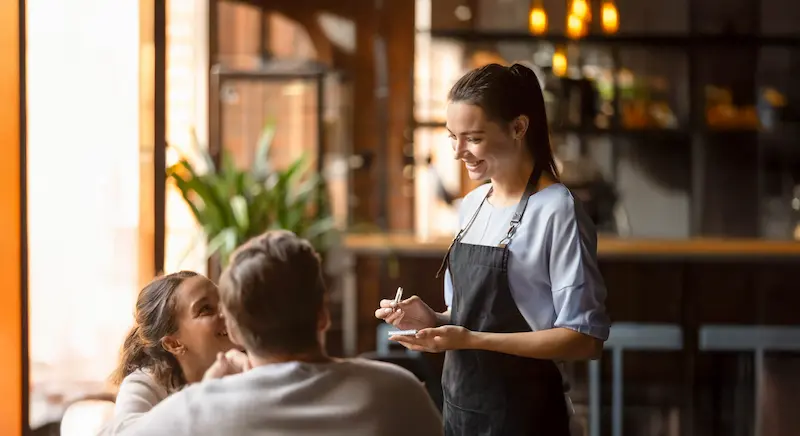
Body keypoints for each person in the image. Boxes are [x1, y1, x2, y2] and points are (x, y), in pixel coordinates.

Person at [375, 63, 610, 436]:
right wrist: (434, 318)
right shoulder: (472, 205)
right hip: (461, 413)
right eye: (452, 136)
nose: (458, 152)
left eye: (473, 137)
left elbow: (584, 339)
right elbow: (471, 316)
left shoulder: (557, 210)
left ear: (519, 127)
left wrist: (470, 339)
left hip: (526, 417)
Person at [124, 230, 443, 436]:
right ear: (323, 316)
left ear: (233, 326)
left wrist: (207, 393)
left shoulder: (193, 414)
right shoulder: (398, 393)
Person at [107, 271, 244, 434]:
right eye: (206, 309)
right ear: (173, 344)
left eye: (224, 302)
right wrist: (202, 396)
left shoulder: (251, 367)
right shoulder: (146, 385)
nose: (226, 313)